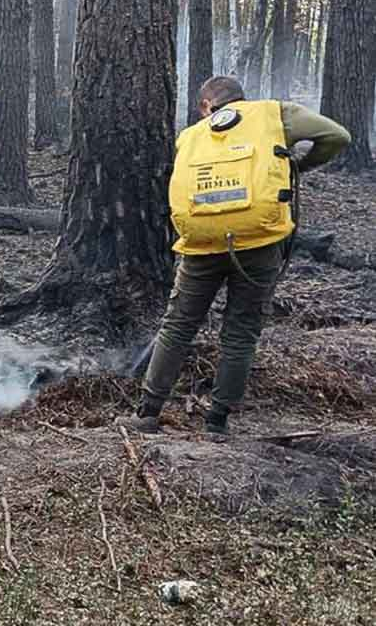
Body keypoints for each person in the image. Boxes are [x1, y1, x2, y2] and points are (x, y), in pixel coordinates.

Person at [120, 76, 351, 437]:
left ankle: (147, 413)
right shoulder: (274, 115)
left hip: (201, 243)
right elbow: (337, 136)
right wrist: (296, 167)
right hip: (259, 241)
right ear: (243, 98)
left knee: (177, 327)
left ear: (205, 106)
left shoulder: (192, 135)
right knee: (240, 333)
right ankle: (217, 422)